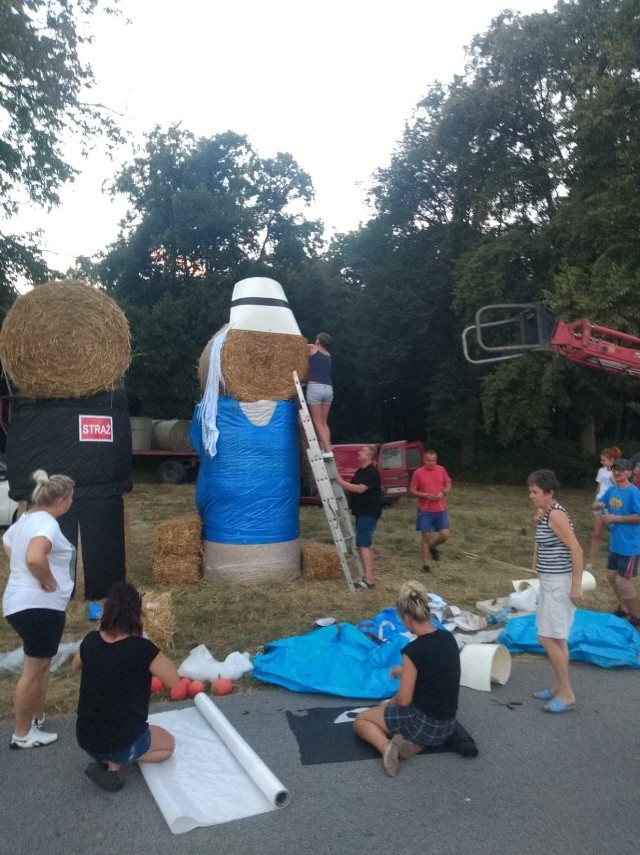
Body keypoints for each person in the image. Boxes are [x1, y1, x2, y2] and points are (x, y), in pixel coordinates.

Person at [72, 581, 180, 792]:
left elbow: (75, 665)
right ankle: (118, 760)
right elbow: (174, 681)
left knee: (114, 728)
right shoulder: (142, 649)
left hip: (85, 738)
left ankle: (108, 763)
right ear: (137, 613)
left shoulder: (90, 640)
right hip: (123, 738)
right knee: (168, 745)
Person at [353, 580, 460, 777]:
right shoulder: (448, 639)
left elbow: (404, 700)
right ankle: (410, 745)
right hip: (448, 726)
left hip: (426, 726)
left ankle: (387, 748)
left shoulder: (414, 650)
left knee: (361, 721)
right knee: (398, 710)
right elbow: (436, 670)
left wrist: (388, 705)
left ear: (407, 617)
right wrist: (404, 671)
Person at [2, 469, 75, 749]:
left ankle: (36, 719)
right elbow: (34, 556)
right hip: (39, 606)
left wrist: (22, 570)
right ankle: (22, 734)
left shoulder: (25, 520)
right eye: (71, 498)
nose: (72, 503)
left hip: (20, 603)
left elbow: (7, 543)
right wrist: (47, 580)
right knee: (34, 669)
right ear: (61, 501)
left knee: (41, 665)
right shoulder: (47, 523)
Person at [528, 469, 584, 714]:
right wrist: (540, 517)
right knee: (555, 637)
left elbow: (577, 550)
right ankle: (557, 686)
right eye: (530, 491)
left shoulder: (556, 515)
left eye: (535, 492)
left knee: (547, 637)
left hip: (559, 584)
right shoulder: (549, 512)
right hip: (549, 581)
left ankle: (567, 693)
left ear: (550, 493)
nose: (531, 496)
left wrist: (576, 585)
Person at [594, 458, 640, 628]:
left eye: (621, 469)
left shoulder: (633, 492)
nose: (617, 472)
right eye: (614, 470)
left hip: (630, 546)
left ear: (629, 472)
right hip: (616, 543)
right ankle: (623, 608)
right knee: (612, 577)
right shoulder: (612, 491)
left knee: (623, 581)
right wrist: (598, 505)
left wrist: (616, 518)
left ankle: (636, 616)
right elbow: (600, 503)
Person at [336, 445, 382, 588]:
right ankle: (368, 576)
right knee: (366, 543)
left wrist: (341, 482)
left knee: (363, 544)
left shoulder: (371, 472)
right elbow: (353, 488)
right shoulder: (360, 471)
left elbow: (360, 489)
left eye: (362, 451)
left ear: (369, 456)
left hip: (368, 512)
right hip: (362, 512)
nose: (359, 453)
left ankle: (369, 581)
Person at [408, 450, 452, 572]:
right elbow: (412, 490)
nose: (431, 463)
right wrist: (424, 494)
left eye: (433, 461)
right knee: (426, 536)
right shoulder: (418, 473)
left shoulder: (441, 470)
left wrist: (442, 493)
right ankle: (426, 564)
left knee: (445, 535)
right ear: (424, 460)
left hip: (440, 508)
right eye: (428, 461)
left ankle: (433, 546)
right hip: (425, 510)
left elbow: (448, 485)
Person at [587, 445, 621, 571]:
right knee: (596, 534)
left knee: (615, 533)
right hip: (600, 503)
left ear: (612, 460)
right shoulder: (601, 471)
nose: (602, 462)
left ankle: (616, 560)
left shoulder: (618, 472)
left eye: (604, 460)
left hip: (613, 504)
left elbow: (622, 488)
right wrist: (595, 501)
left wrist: (614, 480)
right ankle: (591, 561)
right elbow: (599, 487)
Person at [306, 333, 333, 458]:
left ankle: (327, 451)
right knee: (324, 422)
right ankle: (326, 447)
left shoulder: (313, 348)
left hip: (315, 388)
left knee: (317, 422)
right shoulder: (328, 355)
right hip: (328, 389)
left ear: (318, 341)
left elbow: (297, 345)